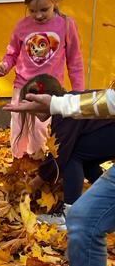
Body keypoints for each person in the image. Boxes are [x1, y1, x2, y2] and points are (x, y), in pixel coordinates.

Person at [6, 86, 115, 266]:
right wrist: (56, 104)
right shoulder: (69, 107)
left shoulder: (65, 120)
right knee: (85, 216)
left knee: (75, 161)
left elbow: (62, 156)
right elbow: (111, 100)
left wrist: (35, 183)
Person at [0, 0, 84, 159]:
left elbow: (74, 61)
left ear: (56, 2)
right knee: (19, 127)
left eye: (44, 10)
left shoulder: (66, 25)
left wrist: (78, 93)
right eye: (32, 11)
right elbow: (12, 53)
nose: (38, 15)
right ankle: (19, 162)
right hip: (23, 87)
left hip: (49, 90)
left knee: (40, 129)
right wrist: (5, 65)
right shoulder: (22, 26)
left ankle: (39, 163)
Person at [16, 75, 115, 230]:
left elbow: (60, 155)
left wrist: (35, 183)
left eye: (32, 108)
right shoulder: (69, 101)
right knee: (85, 160)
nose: (32, 114)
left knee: (71, 154)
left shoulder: (63, 114)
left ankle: (69, 216)